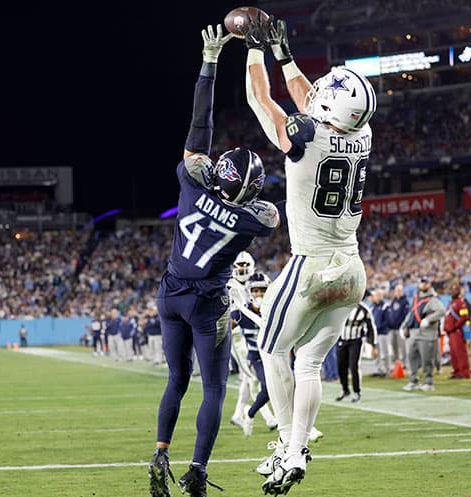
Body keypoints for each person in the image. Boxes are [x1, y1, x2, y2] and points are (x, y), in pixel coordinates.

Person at [243, 16, 376, 495]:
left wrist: (254, 51)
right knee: (309, 365)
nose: (316, 91)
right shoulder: (361, 135)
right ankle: (297, 447)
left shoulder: (307, 136)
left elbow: (263, 100)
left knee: (272, 349)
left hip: (310, 265)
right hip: (353, 268)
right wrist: (286, 54)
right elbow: (313, 101)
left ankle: (286, 444)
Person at [148, 24, 279, 497]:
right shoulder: (252, 220)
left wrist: (209, 64)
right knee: (215, 390)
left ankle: (160, 452)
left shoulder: (190, 181)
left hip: (170, 294)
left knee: (176, 379)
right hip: (207, 305)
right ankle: (197, 469)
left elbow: (198, 132)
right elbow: (269, 215)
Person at [227, 252, 277, 433]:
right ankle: (268, 417)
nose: (241, 268)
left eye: (244, 264)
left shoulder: (259, 280)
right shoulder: (228, 283)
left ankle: (239, 413)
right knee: (251, 377)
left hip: (258, 332)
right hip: (240, 335)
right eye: (238, 264)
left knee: (249, 378)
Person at [399, 276, 445, 391]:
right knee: (412, 357)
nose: (423, 285)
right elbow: (411, 314)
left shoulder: (433, 299)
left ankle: (429, 382)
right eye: (421, 283)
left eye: (425, 283)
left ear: (429, 285)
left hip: (427, 334)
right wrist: (403, 326)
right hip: (415, 333)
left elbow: (441, 312)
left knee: (426, 360)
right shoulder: (416, 298)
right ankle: (413, 381)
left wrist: (428, 320)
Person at [335, 292, 376, 403]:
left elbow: (371, 328)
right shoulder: (341, 308)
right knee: (341, 367)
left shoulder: (364, 310)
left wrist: (373, 344)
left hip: (355, 341)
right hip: (342, 340)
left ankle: (357, 392)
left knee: (354, 367)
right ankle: (345, 390)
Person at [443, 283, 471, 379]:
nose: (453, 292)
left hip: (457, 331)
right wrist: (445, 328)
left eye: (455, 290)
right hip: (451, 332)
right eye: (452, 290)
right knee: (453, 353)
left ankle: (464, 372)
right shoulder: (450, 304)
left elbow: (464, 317)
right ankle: (456, 371)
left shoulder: (461, 303)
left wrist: (455, 326)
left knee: (460, 353)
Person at [386, 283, 410, 372]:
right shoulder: (393, 301)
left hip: (400, 328)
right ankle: (396, 363)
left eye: (400, 291)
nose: (398, 292)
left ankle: (404, 363)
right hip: (392, 328)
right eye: (397, 291)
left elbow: (406, 315)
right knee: (394, 346)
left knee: (402, 346)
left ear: (402, 292)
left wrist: (404, 326)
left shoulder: (405, 301)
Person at [370, 288, 391, 377]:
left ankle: (387, 370)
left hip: (383, 333)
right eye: (376, 295)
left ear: (382, 296)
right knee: (377, 352)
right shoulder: (373, 306)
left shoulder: (385, 306)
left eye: (379, 295)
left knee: (385, 352)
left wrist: (378, 328)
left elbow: (387, 321)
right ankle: (379, 369)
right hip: (375, 334)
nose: (377, 297)